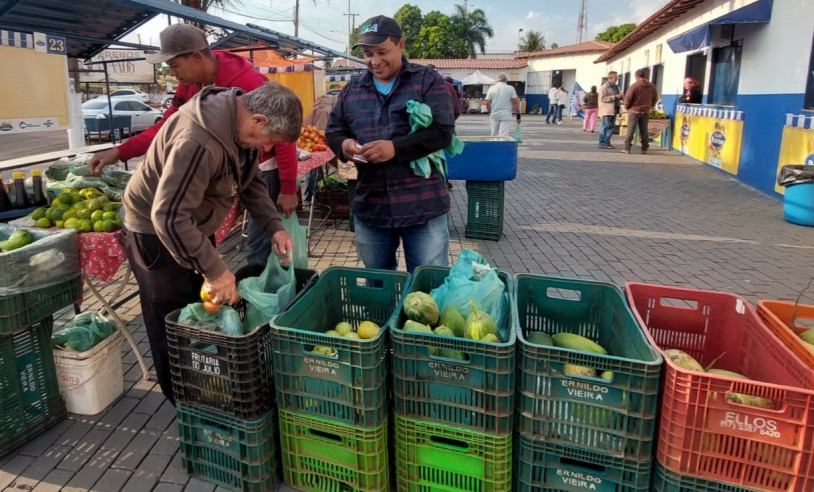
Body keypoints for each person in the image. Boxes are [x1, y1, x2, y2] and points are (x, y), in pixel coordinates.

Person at [121, 82, 301, 404]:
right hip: (155, 231)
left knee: (202, 305)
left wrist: (274, 226)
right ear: (258, 120)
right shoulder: (199, 140)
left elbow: (251, 184)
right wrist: (216, 269)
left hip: (189, 223)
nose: (266, 148)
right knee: (172, 318)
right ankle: (182, 398)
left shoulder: (240, 127)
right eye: (270, 141)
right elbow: (169, 217)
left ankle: (207, 382)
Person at [87, 23, 299, 267]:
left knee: (206, 271)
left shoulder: (248, 86)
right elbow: (165, 129)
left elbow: (280, 138)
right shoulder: (196, 130)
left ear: (196, 57)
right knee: (181, 287)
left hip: (200, 206)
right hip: (160, 218)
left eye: (175, 65)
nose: (173, 74)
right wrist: (121, 151)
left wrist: (287, 188)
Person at [325, 15, 454, 273]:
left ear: (401, 45)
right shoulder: (352, 90)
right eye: (368, 54)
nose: (374, 61)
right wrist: (346, 145)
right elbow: (333, 131)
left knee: (428, 285)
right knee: (378, 284)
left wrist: (395, 149)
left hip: (422, 205)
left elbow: (442, 132)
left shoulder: (426, 80)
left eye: (382, 52)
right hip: (372, 205)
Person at [621, 68, 660, 154]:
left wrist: (627, 107)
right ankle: (644, 148)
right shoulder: (652, 86)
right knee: (644, 131)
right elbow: (655, 98)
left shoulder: (635, 86)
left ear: (637, 76)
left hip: (634, 111)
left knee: (631, 130)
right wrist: (650, 106)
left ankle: (627, 148)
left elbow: (628, 98)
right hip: (645, 111)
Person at [598, 71, 623, 149]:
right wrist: (614, 97)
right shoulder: (604, 87)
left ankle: (607, 142)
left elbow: (619, 95)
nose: (616, 79)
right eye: (615, 77)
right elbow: (603, 98)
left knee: (611, 127)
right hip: (607, 109)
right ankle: (602, 143)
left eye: (617, 77)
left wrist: (621, 96)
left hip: (614, 109)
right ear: (610, 78)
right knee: (605, 126)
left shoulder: (616, 87)